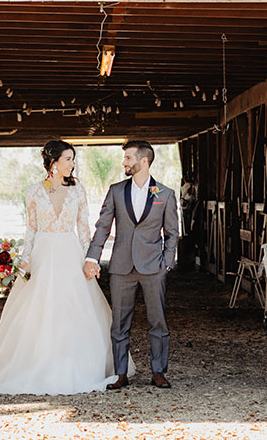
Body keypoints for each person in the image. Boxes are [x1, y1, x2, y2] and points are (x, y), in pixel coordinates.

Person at [0, 140, 133, 395]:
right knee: (38, 312)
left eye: (74, 160)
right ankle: (34, 365)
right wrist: (25, 258)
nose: (72, 164)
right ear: (53, 163)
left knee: (76, 308)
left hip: (70, 254)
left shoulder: (78, 191)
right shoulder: (33, 192)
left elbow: (84, 230)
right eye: (68, 159)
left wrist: (91, 259)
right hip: (43, 256)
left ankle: (81, 366)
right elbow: (31, 229)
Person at [84, 140, 179, 390]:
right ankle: (120, 373)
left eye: (128, 158)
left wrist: (167, 263)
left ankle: (158, 371)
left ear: (144, 161)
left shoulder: (166, 194)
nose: (124, 162)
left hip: (153, 267)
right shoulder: (116, 191)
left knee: (158, 321)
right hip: (121, 268)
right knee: (119, 323)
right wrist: (92, 257)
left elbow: (172, 233)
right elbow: (103, 226)